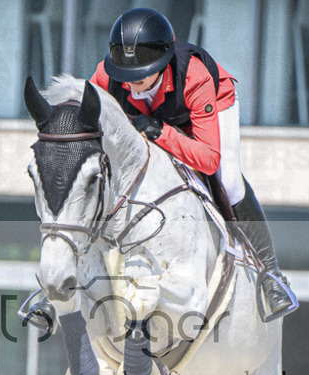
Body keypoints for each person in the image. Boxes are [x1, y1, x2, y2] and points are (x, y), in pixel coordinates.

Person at [92, 7, 297, 321]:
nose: (130, 84)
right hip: (159, 120)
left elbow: (208, 159)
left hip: (210, 108)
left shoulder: (195, 75)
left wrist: (160, 131)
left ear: (161, 65)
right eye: (125, 75)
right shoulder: (107, 75)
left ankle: (272, 275)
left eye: (140, 75)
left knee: (229, 182)